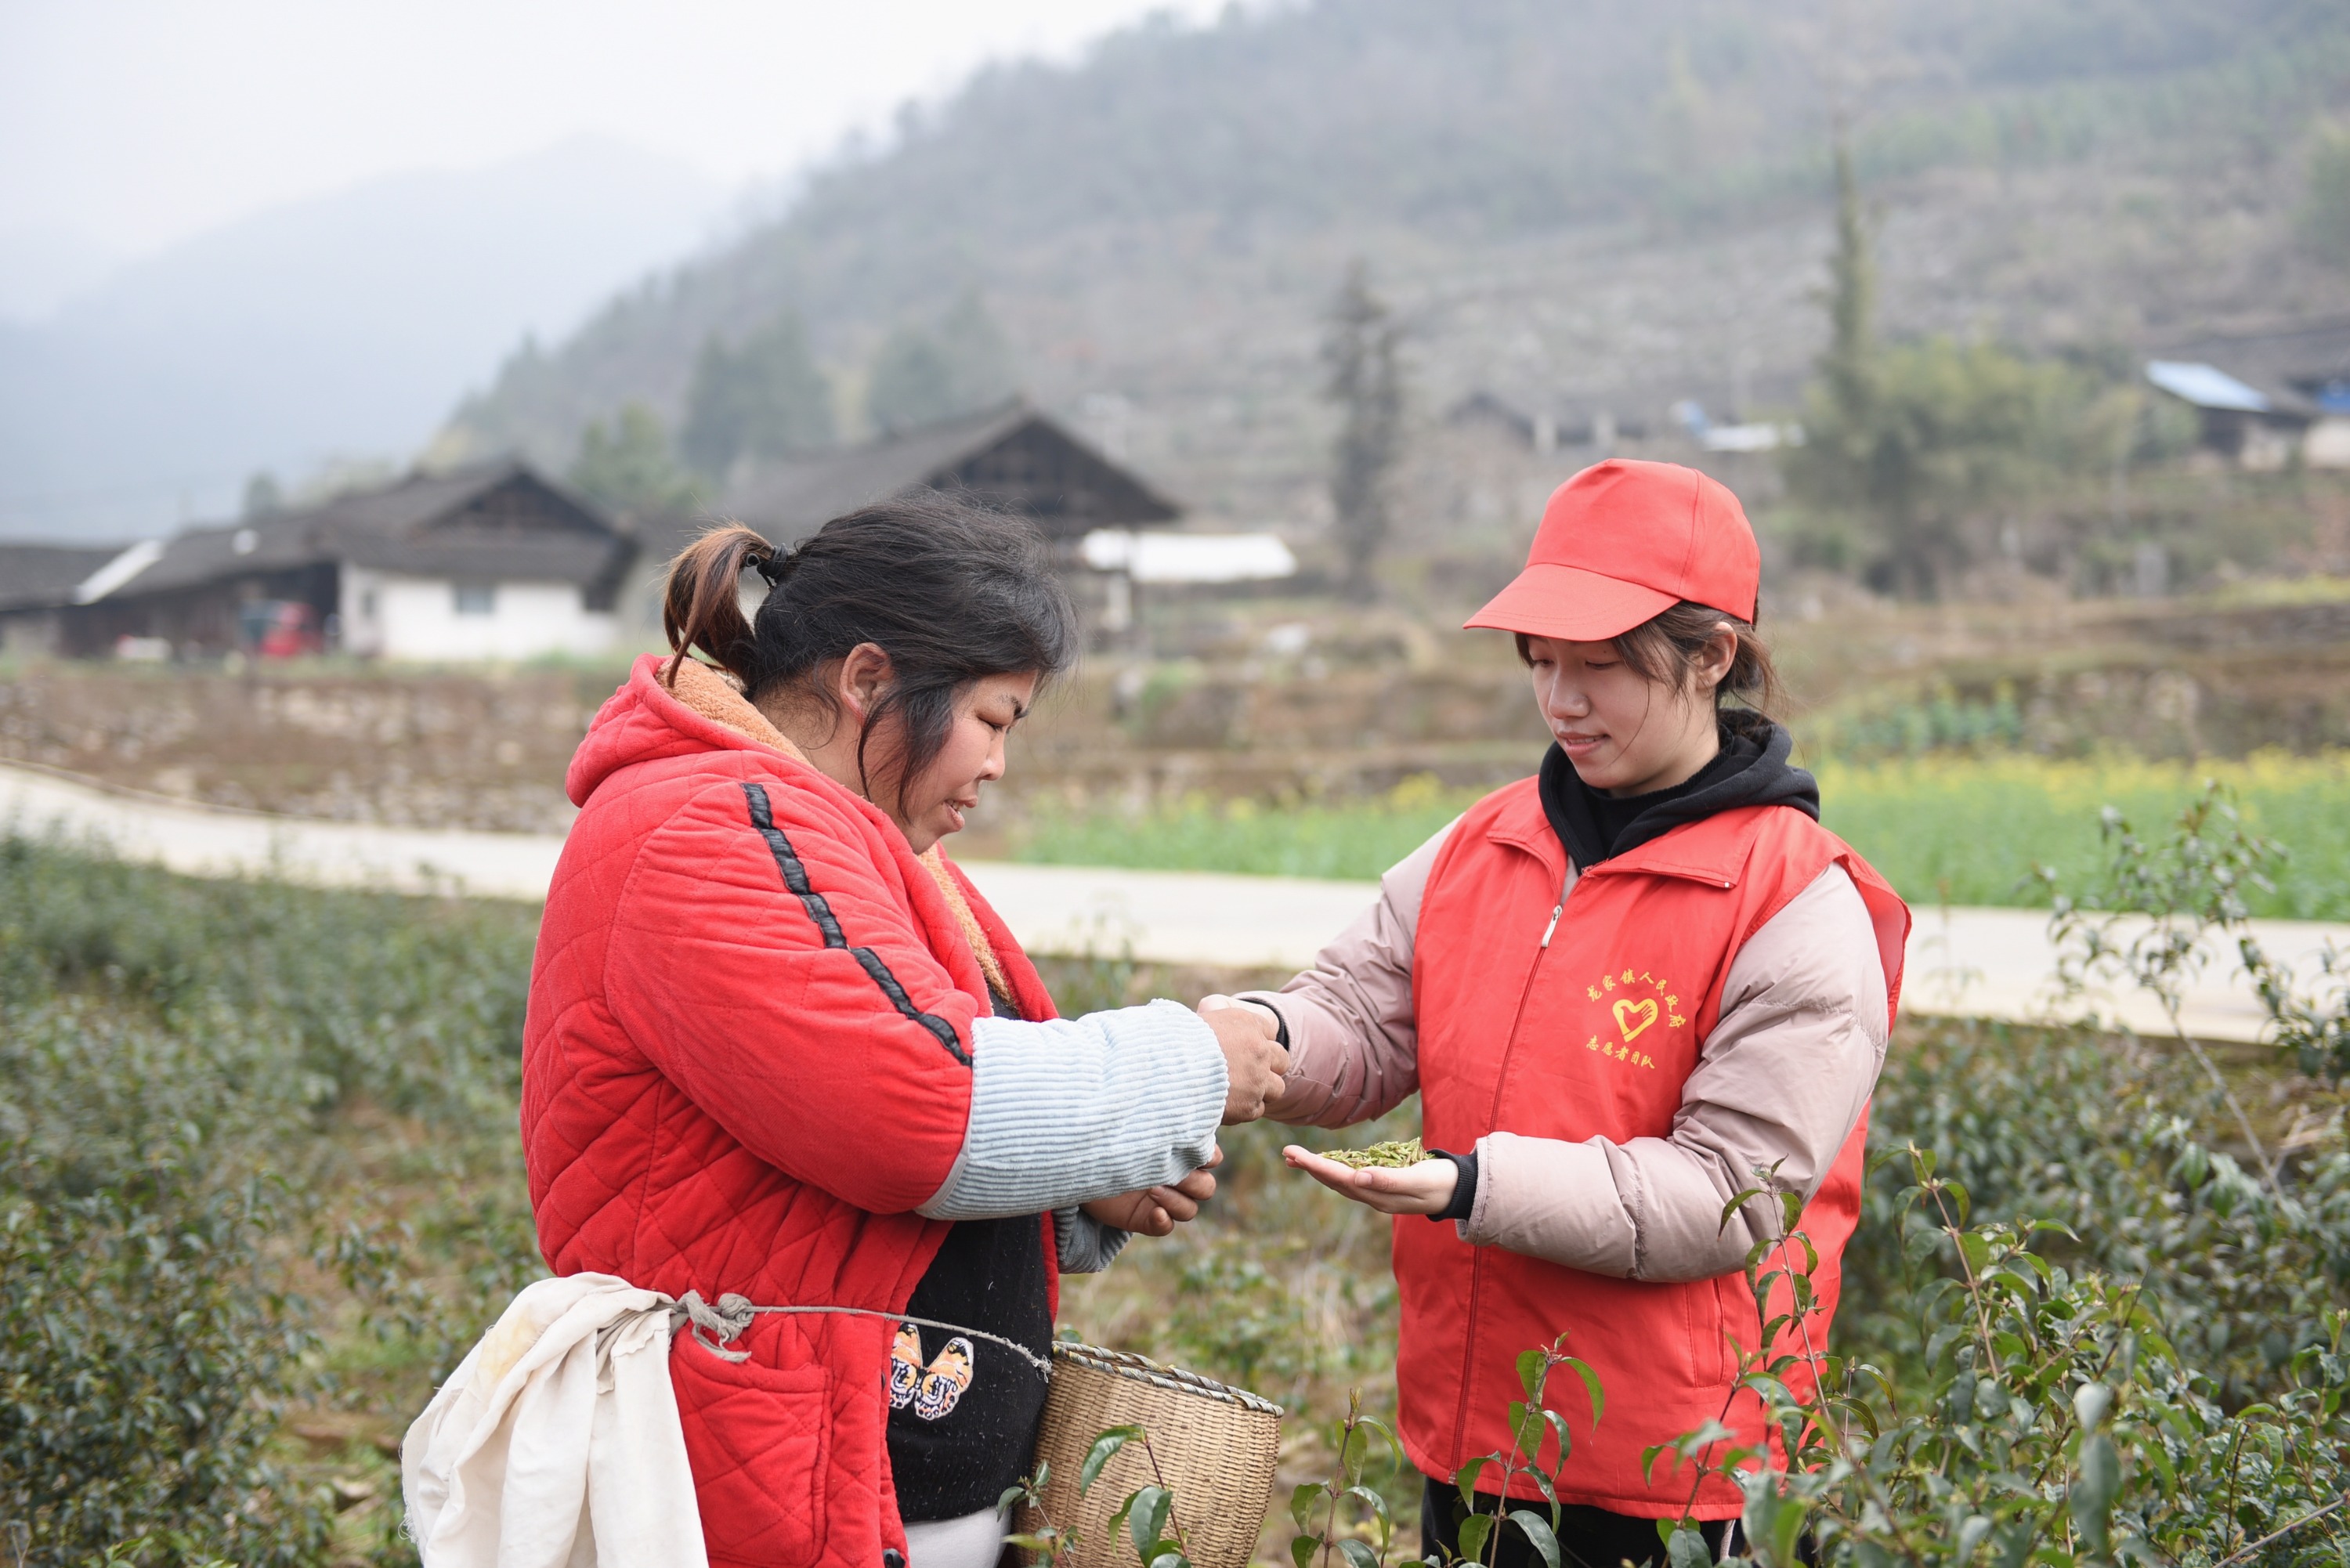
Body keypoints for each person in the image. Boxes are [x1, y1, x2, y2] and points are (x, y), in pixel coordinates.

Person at [520, 497, 1289, 1568]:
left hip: (865, 1458)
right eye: (992, 719)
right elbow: (914, 1107)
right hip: (766, 1463)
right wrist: (1193, 1063)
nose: (998, 766)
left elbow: (866, 1107)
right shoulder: (711, 828)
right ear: (869, 679)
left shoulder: (842, 836)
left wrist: (1076, 1186)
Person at [1221, 460, 1909, 1568]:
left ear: (1711, 654)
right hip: (1474, 1432)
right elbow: (1360, 1014)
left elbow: (1726, 1193)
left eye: (1598, 666)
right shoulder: (1481, 846)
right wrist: (1251, 1038)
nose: (1560, 701)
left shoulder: (1796, 904)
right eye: (1541, 662)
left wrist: (1472, 1183)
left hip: (1665, 1470)